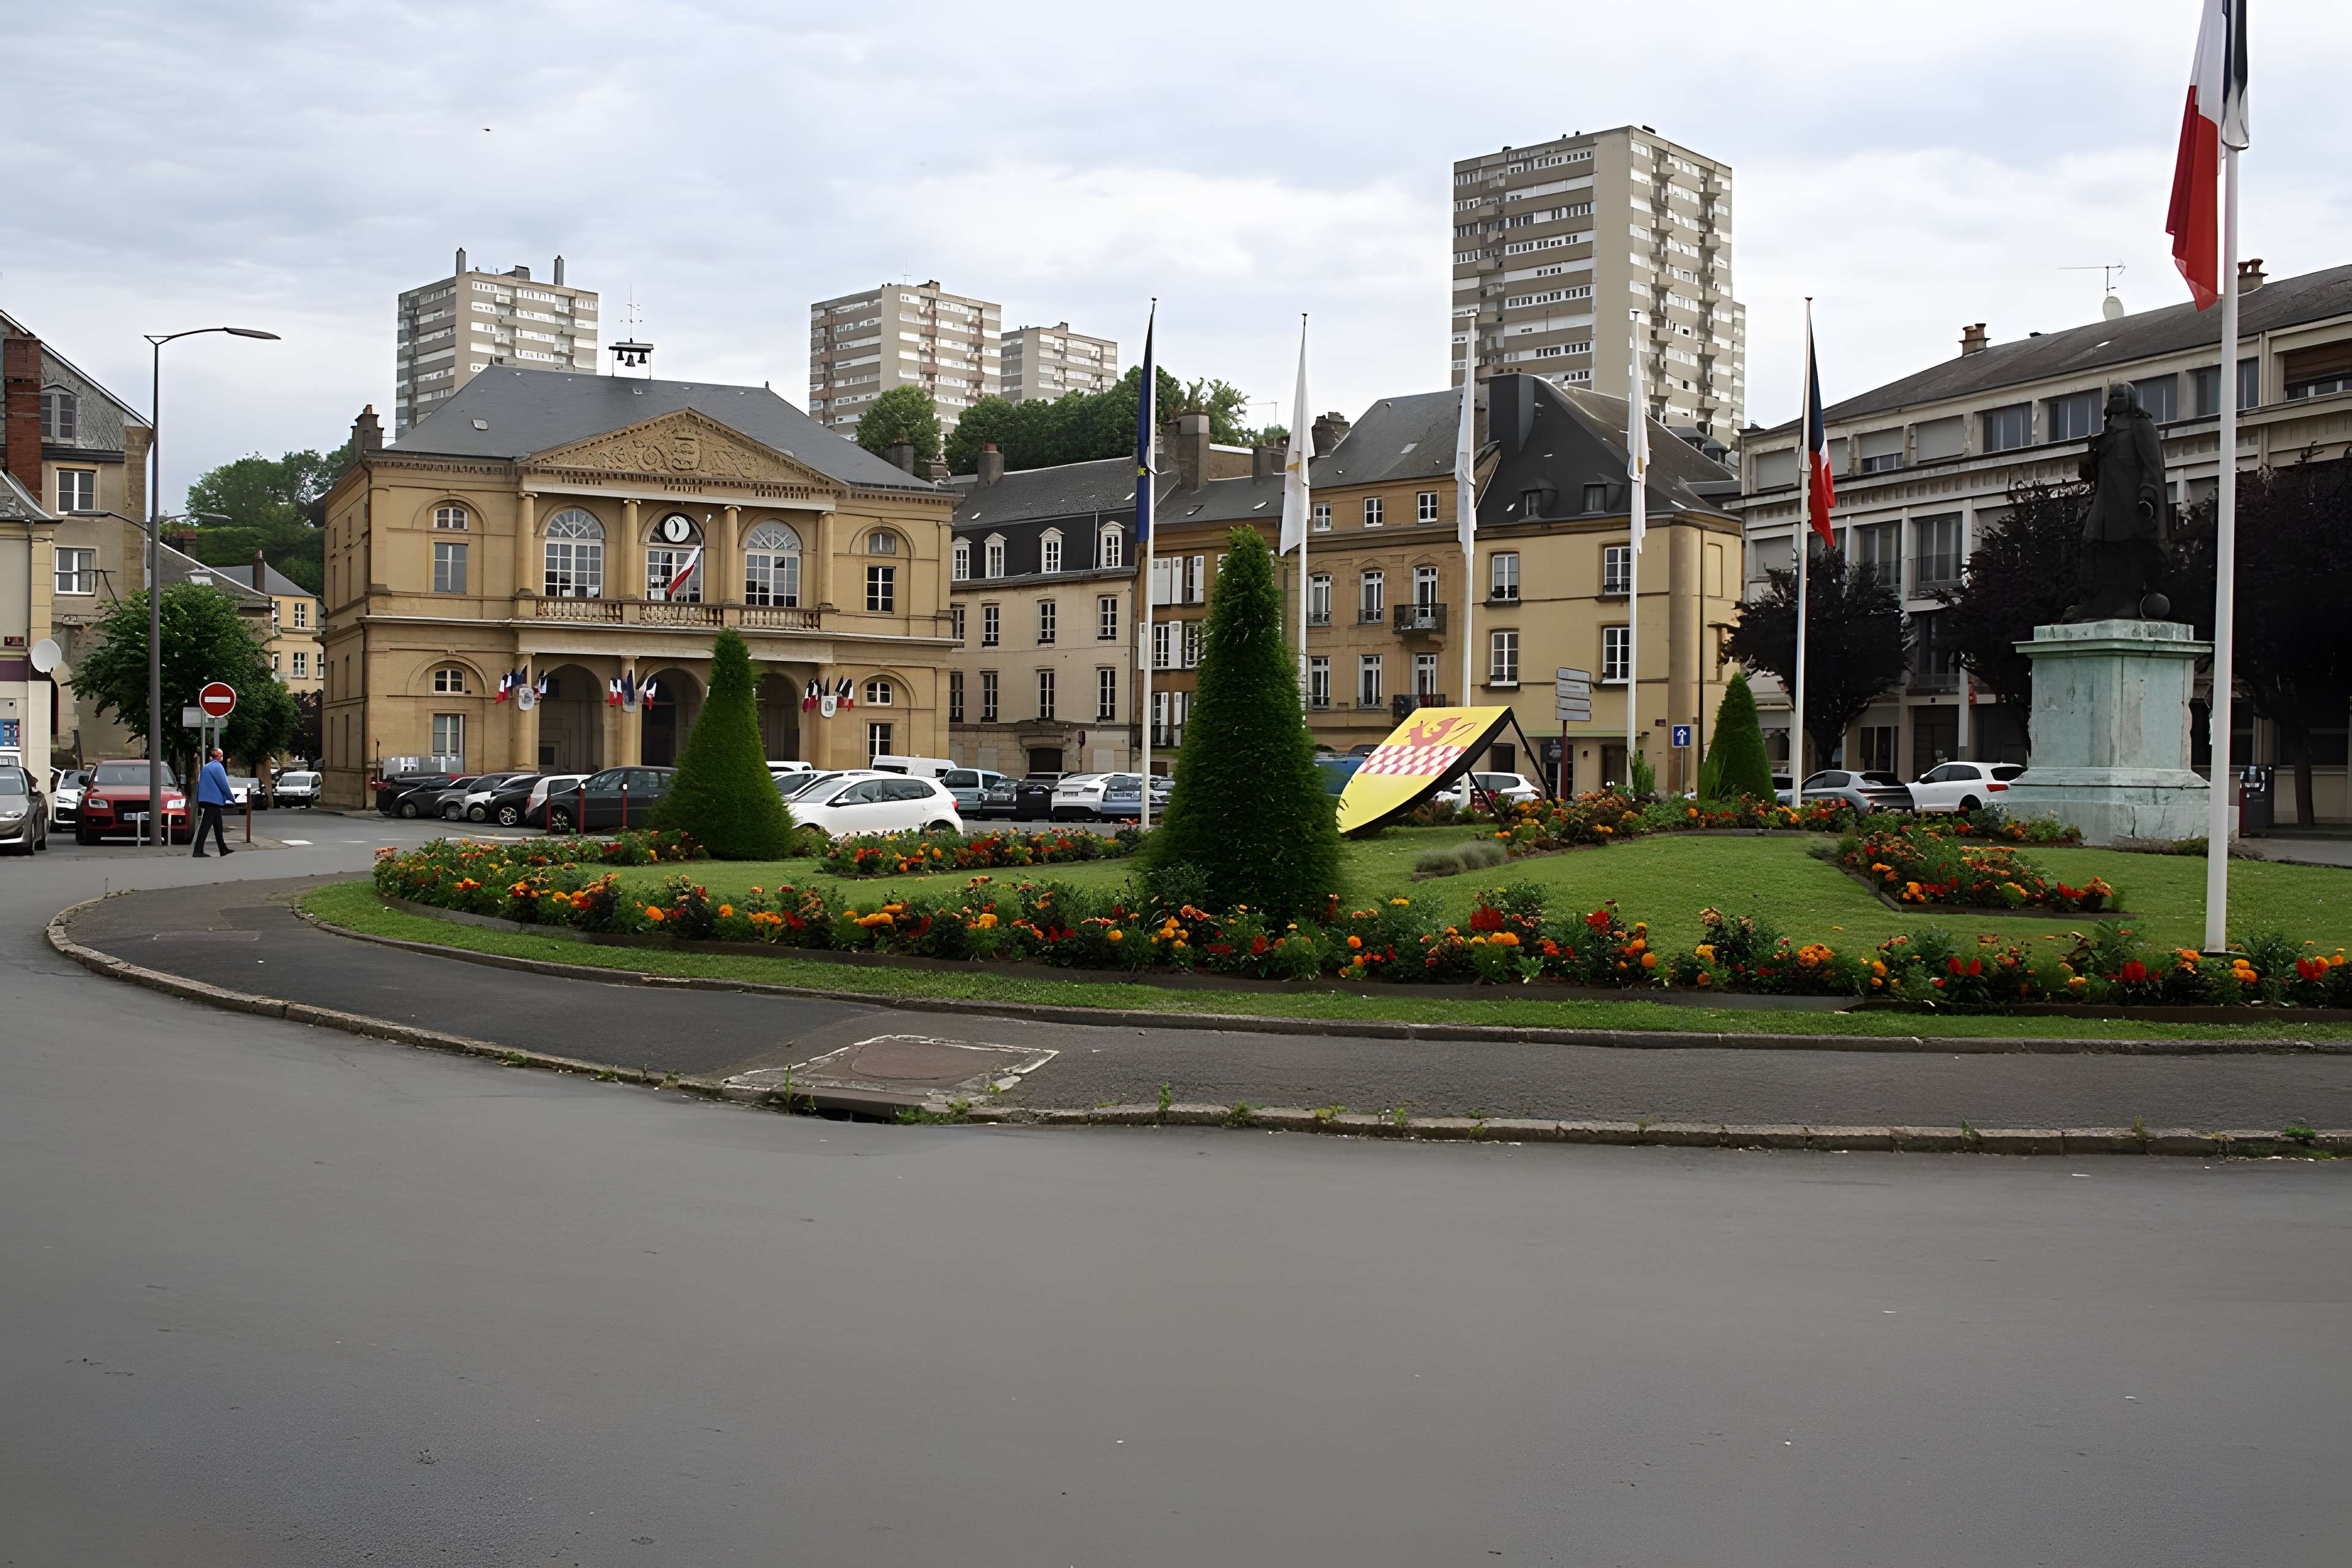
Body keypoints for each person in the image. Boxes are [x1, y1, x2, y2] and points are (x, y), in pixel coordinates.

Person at [194, 747, 235, 858]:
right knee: (205, 826)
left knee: (218, 826)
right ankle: (198, 851)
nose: (222, 757)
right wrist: (232, 798)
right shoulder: (217, 767)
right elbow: (223, 784)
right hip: (213, 800)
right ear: (218, 757)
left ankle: (223, 849)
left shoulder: (207, 767)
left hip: (209, 800)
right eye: (221, 756)